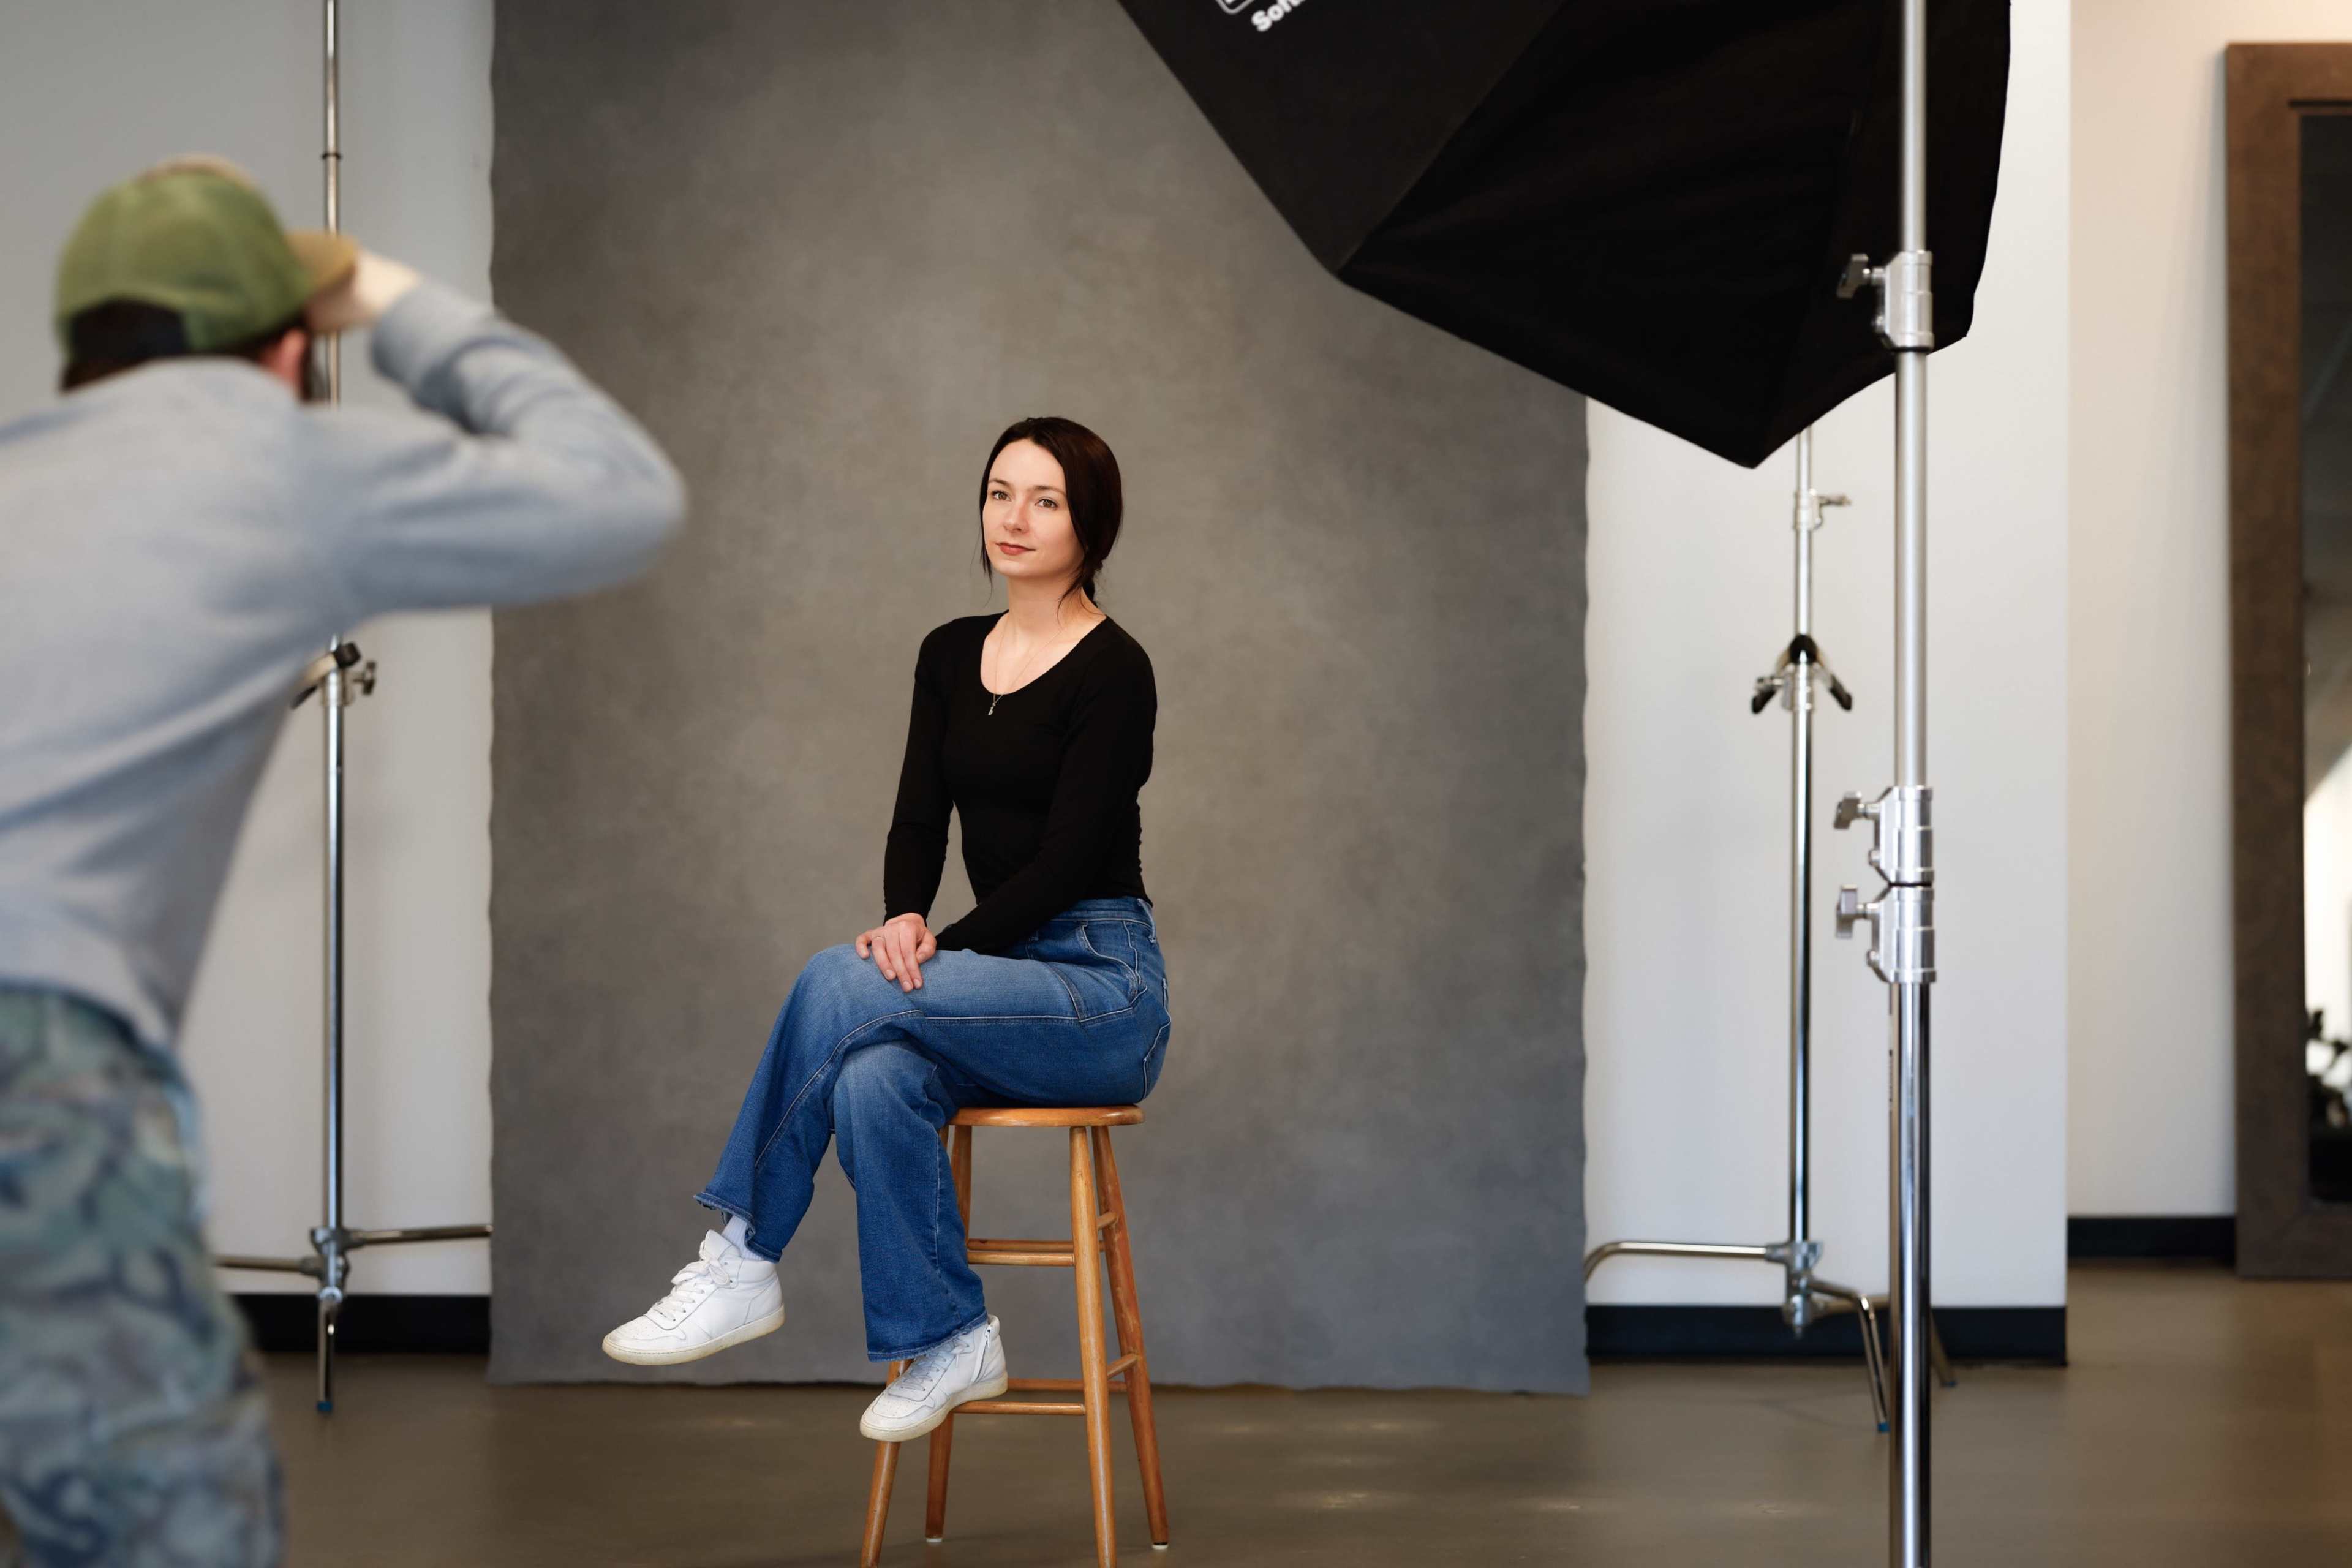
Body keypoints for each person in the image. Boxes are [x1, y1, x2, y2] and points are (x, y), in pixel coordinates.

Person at [0, 156, 685, 1566]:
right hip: (33, 1055)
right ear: (289, 348)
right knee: (174, 1531)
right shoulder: (279, 458)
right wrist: (403, 301)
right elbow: (620, 493)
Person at [601, 416, 1170, 1445]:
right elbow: (917, 819)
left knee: (843, 980)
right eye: (1001, 491)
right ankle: (953, 1336)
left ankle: (744, 1253)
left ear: (1092, 524)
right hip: (992, 977)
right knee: (870, 1078)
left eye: (1046, 500)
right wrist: (908, 916)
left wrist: (935, 946)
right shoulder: (950, 654)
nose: (1016, 517)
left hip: (1097, 986)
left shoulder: (1115, 669)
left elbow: (1066, 864)